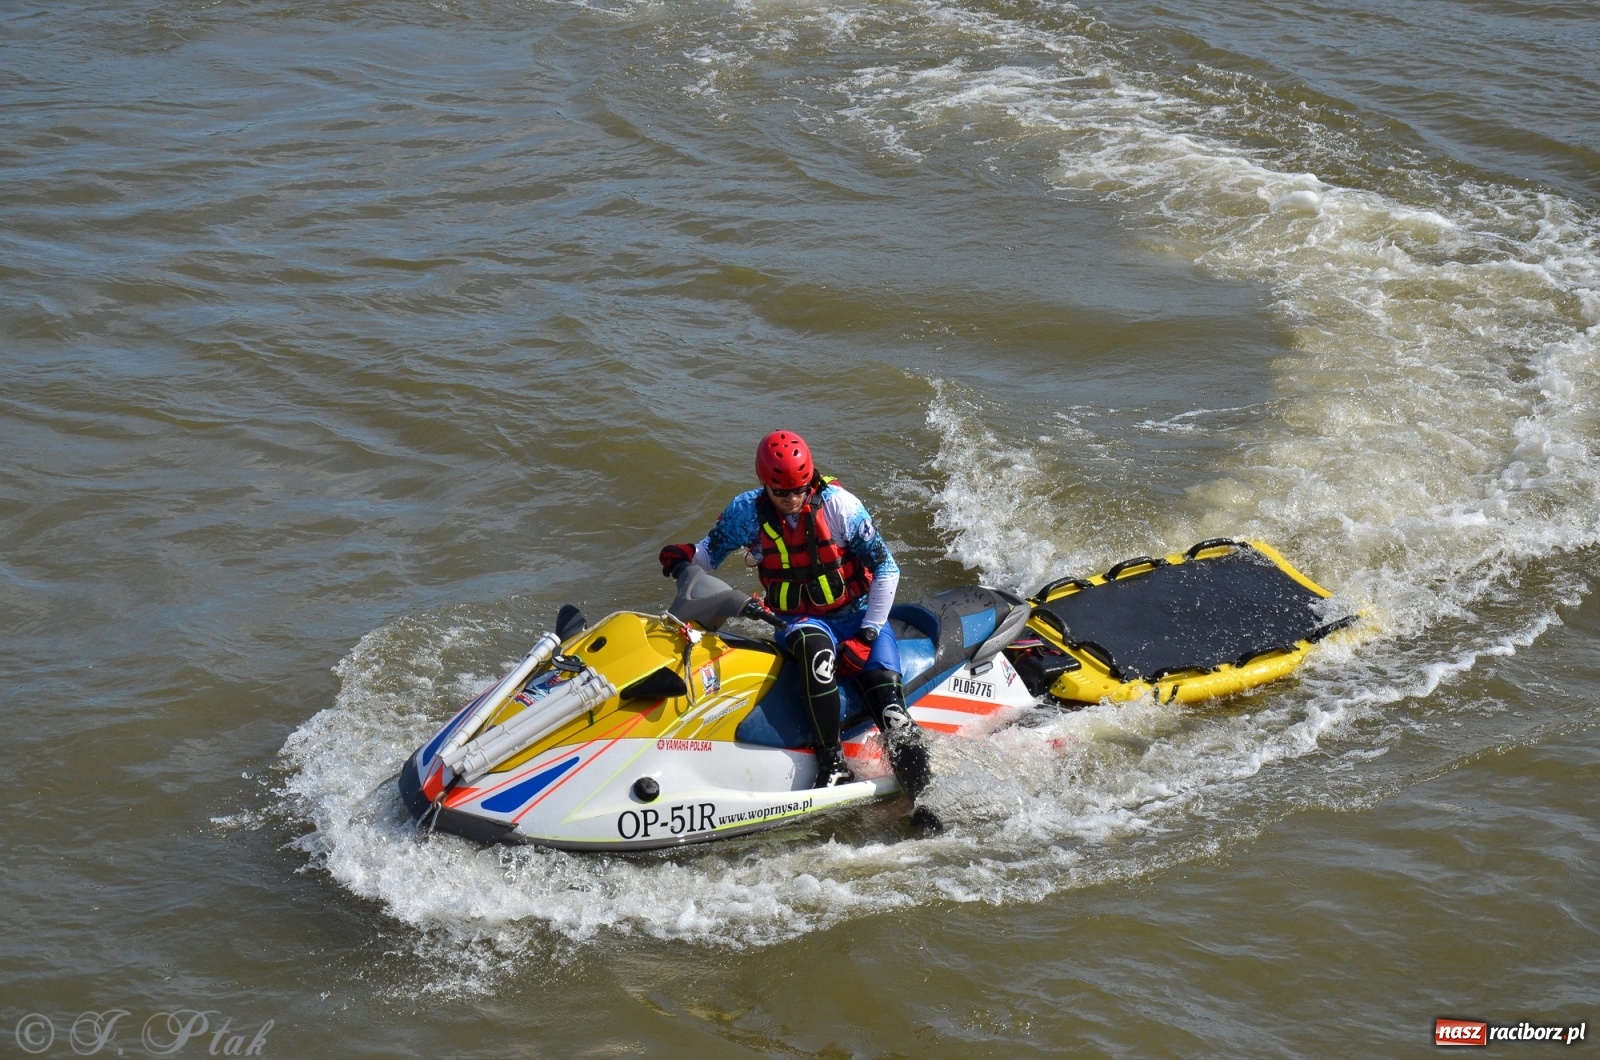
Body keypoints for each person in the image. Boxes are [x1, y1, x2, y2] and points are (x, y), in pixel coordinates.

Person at [659, 430, 931, 795]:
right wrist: (685, 556)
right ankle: (833, 764)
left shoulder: (840, 507)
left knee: (892, 712)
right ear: (765, 484)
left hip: (859, 616)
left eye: (800, 489)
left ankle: (924, 800)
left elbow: (887, 568)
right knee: (816, 650)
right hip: (800, 621)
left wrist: (867, 633)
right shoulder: (747, 512)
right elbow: (710, 552)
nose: (792, 498)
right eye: (782, 492)